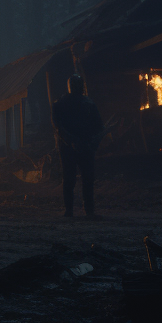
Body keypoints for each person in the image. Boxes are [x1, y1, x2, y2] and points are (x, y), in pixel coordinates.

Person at [51, 73, 103, 219]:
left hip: (73, 146)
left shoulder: (61, 104)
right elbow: (58, 127)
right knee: (79, 178)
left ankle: (76, 210)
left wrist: (76, 141)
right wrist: (77, 141)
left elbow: (58, 127)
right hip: (75, 146)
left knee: (75, 179)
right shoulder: (87, 103)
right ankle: (84, 210)